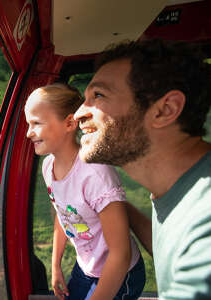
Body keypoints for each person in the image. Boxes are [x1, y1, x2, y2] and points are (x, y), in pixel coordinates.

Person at [74, 39, 211, 299]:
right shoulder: (179, 193)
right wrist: (115, 205)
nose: (79, 113)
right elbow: (170, 244)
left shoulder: (205, 224)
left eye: (98, 95)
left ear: (164, 110)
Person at [24, 83, 145, 300]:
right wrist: (56, 266)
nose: (28, 133)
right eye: (28, 123)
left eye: (36, 123)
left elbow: (120, 254)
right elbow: (63, 215)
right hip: (86, 267)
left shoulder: (95, 175)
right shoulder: (48, 166)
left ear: (69, 123)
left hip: (121, 273)